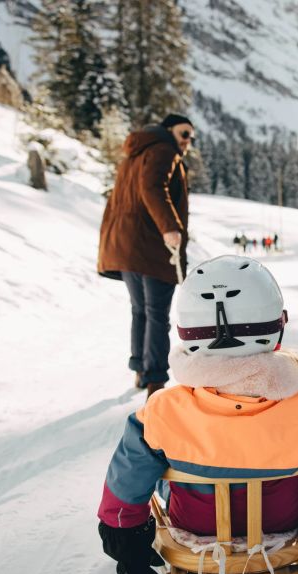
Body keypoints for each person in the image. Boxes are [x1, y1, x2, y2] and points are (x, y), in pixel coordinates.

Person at [97, 256, 298, 574]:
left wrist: (129, 551)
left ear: (186, 333)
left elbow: (122, 489)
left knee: (157, 467)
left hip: (193, 531)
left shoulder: (162, 410)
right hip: (281, 531)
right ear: (278, 326)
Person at [98, 114, 195, 397]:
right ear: (168, 131)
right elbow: (153, 188)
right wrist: (169, 228)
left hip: (127, 246)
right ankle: (155, 380)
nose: (188, 141)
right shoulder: (164, 150)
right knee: (156, 314)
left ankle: (141, 369)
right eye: (184, 133)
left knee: (140, 310)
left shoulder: (135, 154)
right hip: (152, 246)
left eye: (191, 136)